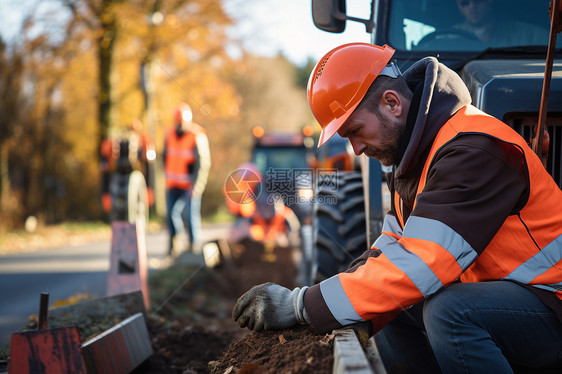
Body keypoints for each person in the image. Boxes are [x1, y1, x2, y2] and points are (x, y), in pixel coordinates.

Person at [232, 43, 562, 372]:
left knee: (449, 310)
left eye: (356, 132)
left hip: (551, 300)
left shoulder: (473, 149)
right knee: (382, 304)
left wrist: (301, 305)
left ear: (392, 103)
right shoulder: (416, 160)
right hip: (512, 297)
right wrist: (340, 308)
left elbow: (420, 265)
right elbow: (388, 254)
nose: (356, 149)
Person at [163, 103, 210, 255]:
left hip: (190, 185)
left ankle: (193, 248)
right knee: (170, 215)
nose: (180, 125)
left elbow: (203, 164)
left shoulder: (197, 136)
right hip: (172, 184)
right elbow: (165, 156)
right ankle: (174, 246)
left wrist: (197, 186)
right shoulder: (169, 134)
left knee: (191, 216)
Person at [453, 0, 548, 47]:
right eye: (465, 3)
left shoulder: (527, 33)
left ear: (489, 1)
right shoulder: (449, 36)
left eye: (478, 1)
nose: (472, 6)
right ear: (458, 5)